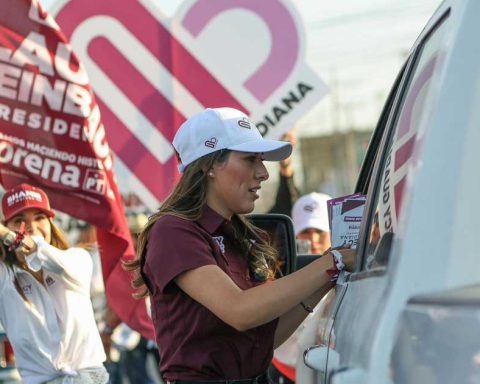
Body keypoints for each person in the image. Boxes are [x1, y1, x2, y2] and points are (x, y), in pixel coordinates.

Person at [124, 107, 354, 383]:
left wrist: (327, 278)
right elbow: (240, 311)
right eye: (250, 160)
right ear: (209, 165)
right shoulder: (172, 231)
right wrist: (330, 263)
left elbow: (263, 339)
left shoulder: (238, 232)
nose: (263, 173)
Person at [0, 183, 108, 384]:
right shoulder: (5, 277)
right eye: (19, 220)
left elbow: (42, 252)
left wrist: (17, 237)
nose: (31, 227)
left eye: (39, 218)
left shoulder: (78, 258)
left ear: (51, 223)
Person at [269, 192, 333, 384]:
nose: (312, 240)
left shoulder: (348, 272)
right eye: (305, 233)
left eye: (320, 233)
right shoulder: (277, 273)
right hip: (283, 373)